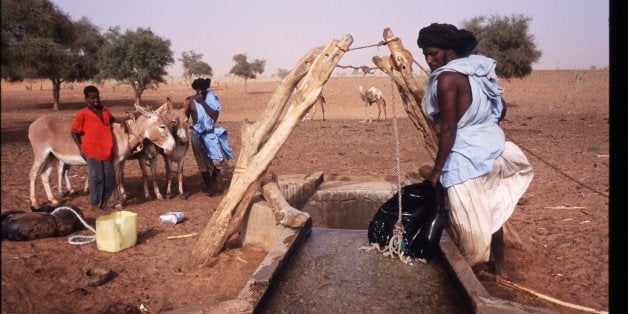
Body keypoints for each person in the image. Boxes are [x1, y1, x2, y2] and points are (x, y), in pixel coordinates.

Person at [417, 23, 534, 275]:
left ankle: (475, 275)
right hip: (496, 149)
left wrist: (437, 170)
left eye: (433, 53)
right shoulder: (481, 71)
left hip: (466, 156)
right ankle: (499, 267)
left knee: (467, 222)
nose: (428, 59)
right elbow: (500, 109)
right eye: (425, 54)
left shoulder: (448, 78)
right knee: (492, 212)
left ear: (449, 51)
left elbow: (449, 128)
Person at [184, 78, 234, 196]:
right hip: (196, 134)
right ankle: (209, 186)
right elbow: (185, 118)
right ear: (196, 89)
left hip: (210, 133)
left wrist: (202, 103)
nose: (200, 92)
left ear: (206, 89)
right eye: (198, 90)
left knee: (219, 159)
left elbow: (214, 115)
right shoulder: (190, 100)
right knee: (201, 162)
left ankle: (213, 179)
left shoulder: (212, 99)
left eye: (203, 90)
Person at [71, 85, 117, 210]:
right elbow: (74, 131)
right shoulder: (82, 114)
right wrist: (80, 147)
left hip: (106, 150)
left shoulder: (106, 111)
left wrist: (127, 119)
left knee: (109, 177)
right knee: (96, 177)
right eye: (92, 98)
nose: (96, 100)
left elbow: (112, 120)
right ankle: (94, 204)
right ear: (86, 99)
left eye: (97, 97)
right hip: (91, 150)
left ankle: (104, 203)